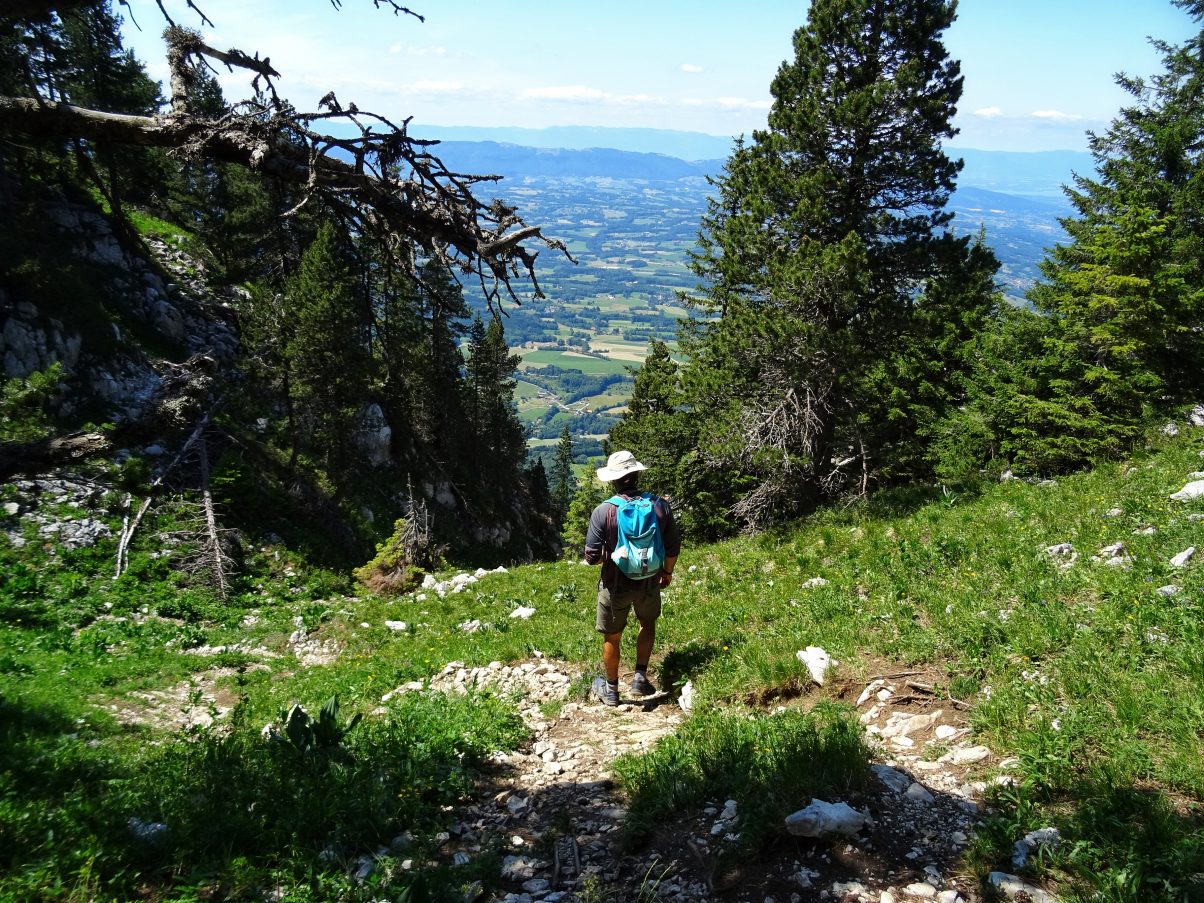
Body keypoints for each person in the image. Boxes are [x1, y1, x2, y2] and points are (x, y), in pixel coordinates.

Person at [584, 450, 681, 706]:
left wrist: (614, 554)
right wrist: (667, 572)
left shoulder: (603, 511)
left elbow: (591, 556)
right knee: (647, 623)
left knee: (612, 636)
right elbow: (673, 547)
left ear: (613, 480)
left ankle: (612, 691)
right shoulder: (659, 506)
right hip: (649, 579)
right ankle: (639, 677)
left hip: (615, 584)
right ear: (637, 474)